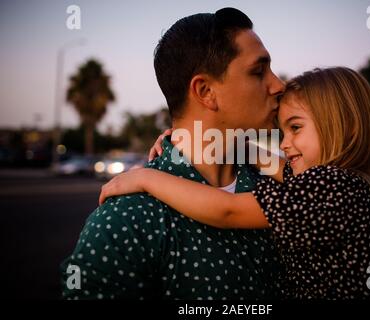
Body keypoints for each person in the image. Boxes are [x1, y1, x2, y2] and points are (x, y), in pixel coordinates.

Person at [99, 67, 370, 299]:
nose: (285, 144)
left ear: (346, 127)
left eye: (295, 128)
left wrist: (145, 177)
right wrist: (192, 141)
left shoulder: (332, 189)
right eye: (283, 132)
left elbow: (228, 210)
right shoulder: (348, 185)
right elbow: (275, 164)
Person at [60, 7, 285, 300]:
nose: (278, 85)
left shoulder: (286, 182)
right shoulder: (126, 220)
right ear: (205, 91)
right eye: (258, 71)